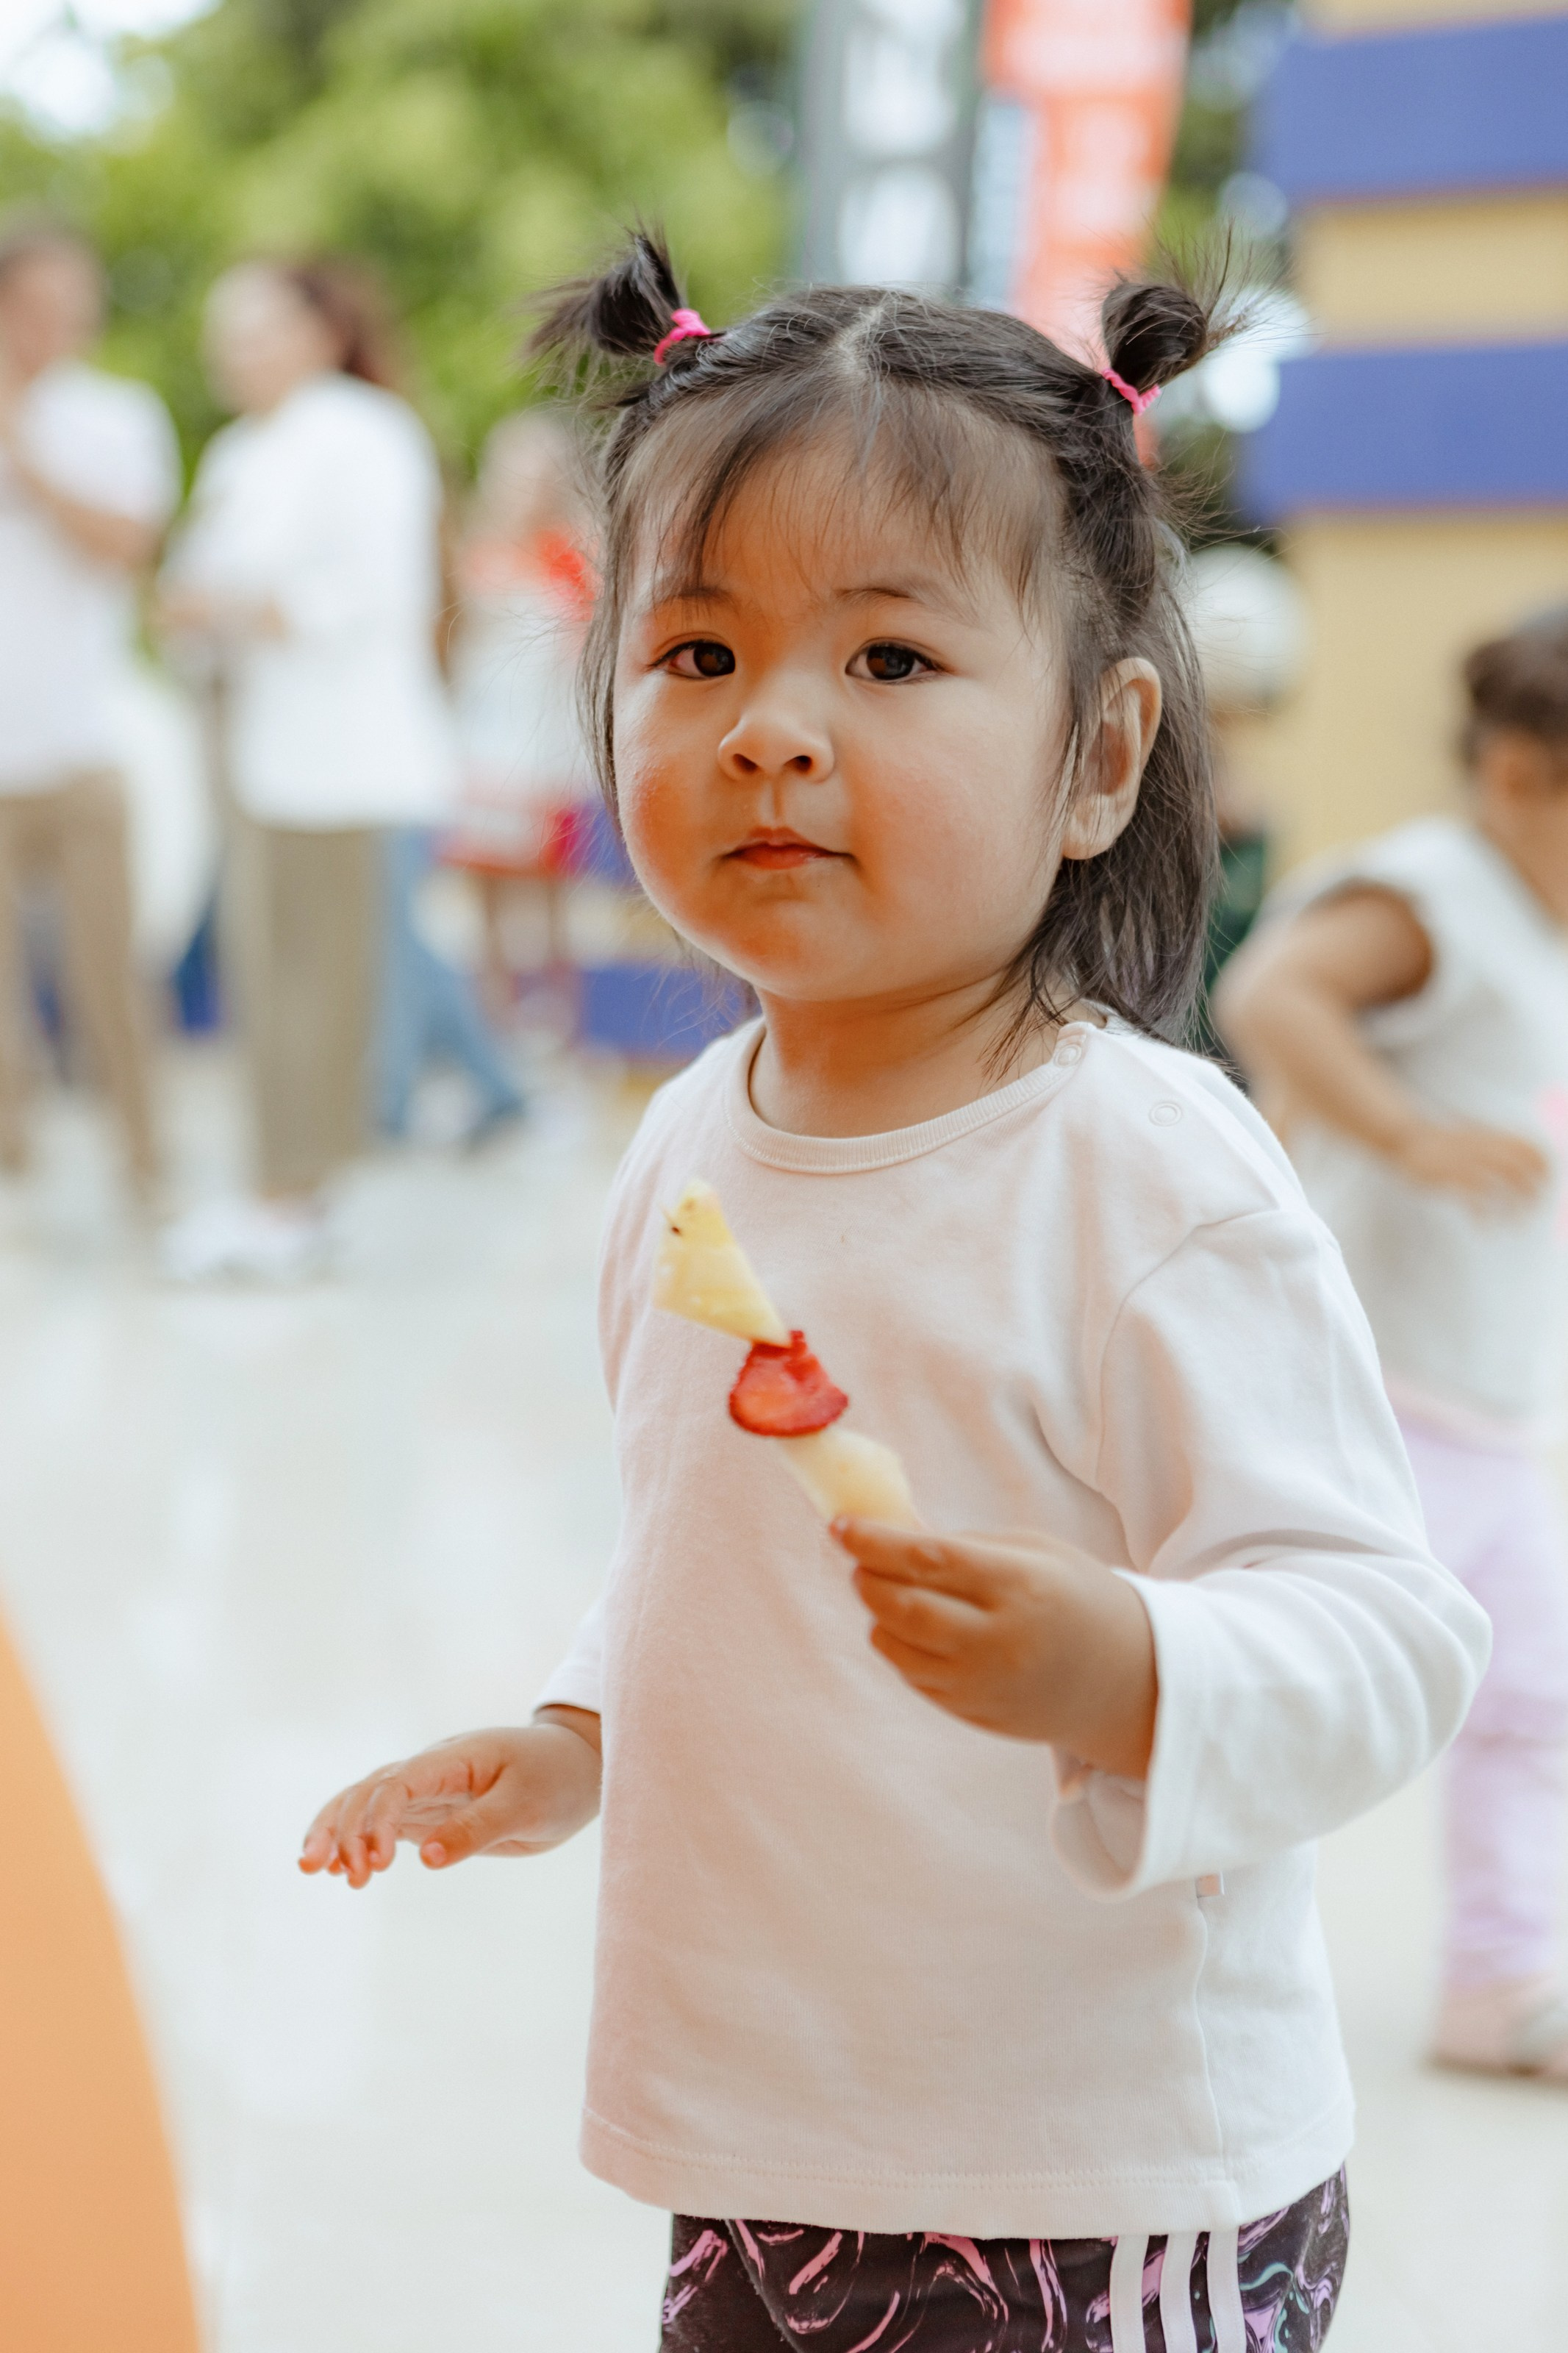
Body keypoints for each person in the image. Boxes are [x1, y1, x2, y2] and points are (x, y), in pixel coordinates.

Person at [301, 238, 1489, 2350]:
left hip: (1096, 2177)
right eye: (696, 653)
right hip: (762, 2133)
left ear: (1098, 757)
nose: (770, 731)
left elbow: (1389, 1637)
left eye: (888, 658)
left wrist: (1132, 1665)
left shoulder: (1143, 1173)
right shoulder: (684, 1144)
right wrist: (575, 1732)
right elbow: (709, 1540)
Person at [1217, 612, 1568, 2085]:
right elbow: (1269, 994)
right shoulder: (1435, 892)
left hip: (1484, 1404)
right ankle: (1186, 1960)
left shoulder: (1535, 923)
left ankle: (1498, 1980)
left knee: (1531, 1701)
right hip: (1371, 1402)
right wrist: (1405, 1133)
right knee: (1304, 1697)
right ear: (1515, 773)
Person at [158, 257, 462, 1279]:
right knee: (264, 978)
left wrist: (236, 608)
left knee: (316, 991)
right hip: (253, 747)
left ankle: (293, 1201)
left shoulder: (364, 435)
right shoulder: (243, 450)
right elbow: (196, 585)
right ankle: (279, 1191)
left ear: (318, 334)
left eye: (257, 331)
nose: (235, 354)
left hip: (336, 762)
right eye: (226, 335)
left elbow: (372, 596)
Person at [0, 217, 179, 1204]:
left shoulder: (115, 415)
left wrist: (25, 453)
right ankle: (13, 1160)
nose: (55, 322)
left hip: (81, 744)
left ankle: (145, 1161)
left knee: (112, 971)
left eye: (72, 302)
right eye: (34, 304)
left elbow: (127, 543)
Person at [443, 409, 595, 1014]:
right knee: (484, 888)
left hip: (545, 747)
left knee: (550, 888)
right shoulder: (472, 553)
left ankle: (559, 1011)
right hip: (483, 740)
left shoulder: (571, 556)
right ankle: (494, 1014)